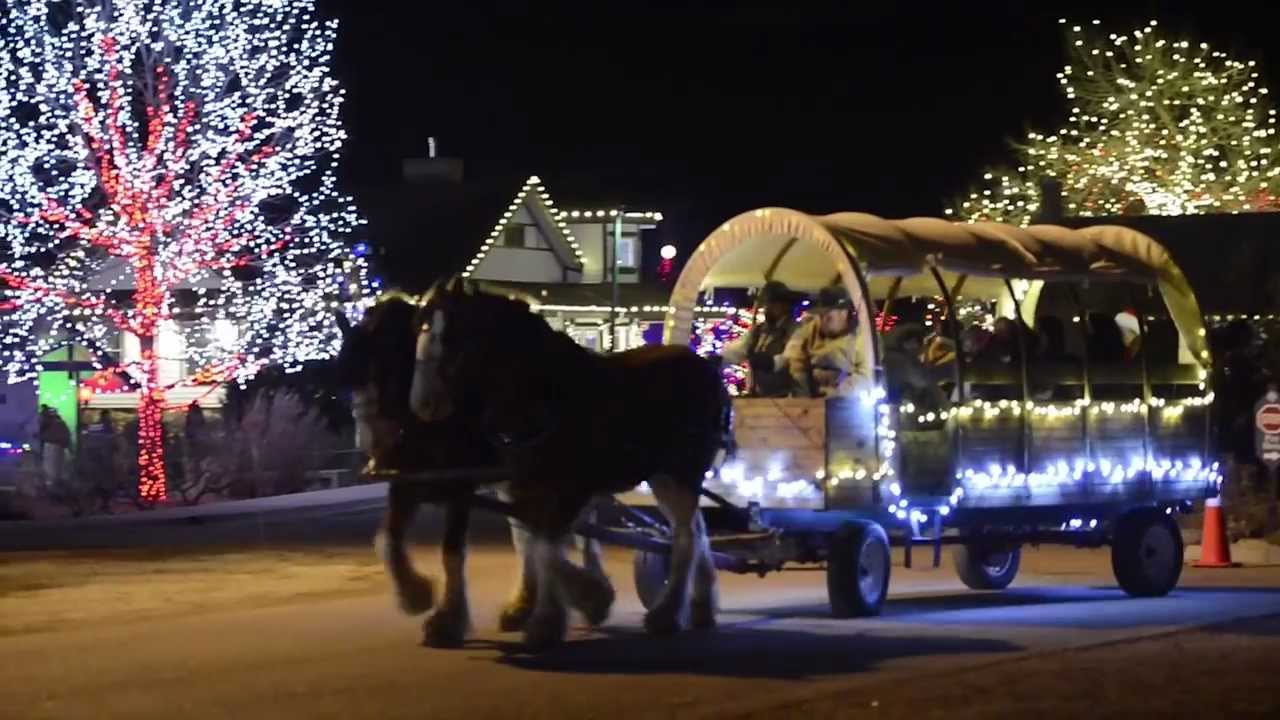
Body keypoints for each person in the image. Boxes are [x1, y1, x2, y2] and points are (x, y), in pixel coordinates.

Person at [783, 285, 872, 398]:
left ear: (844, 313)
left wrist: (837, 392)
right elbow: (795, 359)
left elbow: (867, 378)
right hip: (811, 398)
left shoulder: (863, 338)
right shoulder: (811, 329)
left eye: (828, 316)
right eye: (820, 315)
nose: (822, 320)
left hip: (848, 402)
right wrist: (802, 387)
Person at [721, 281, 802, 397]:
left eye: (772, 303)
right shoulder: (759, 331)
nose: (766, 308)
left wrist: (770, 363)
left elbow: (788, 358)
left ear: (785, 305)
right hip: (758, 396)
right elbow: (737, 350)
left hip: (785, 398)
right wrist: (721, 356)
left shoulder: (795, 330)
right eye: (766, 303)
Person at [37, 405, 71, 487]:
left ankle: (52, 485)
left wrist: (40, 437)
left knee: (52, 471)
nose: (42, 419)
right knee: (53, 471)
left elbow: (52, 437)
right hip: (54, 449)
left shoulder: (56, 424)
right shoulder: (56, 424)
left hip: (54, 449)